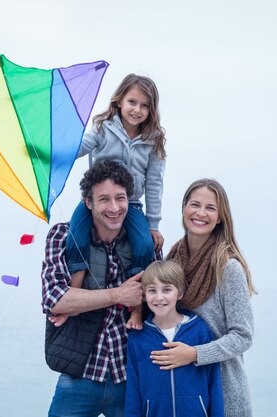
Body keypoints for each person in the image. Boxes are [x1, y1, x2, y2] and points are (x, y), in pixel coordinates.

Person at [41, 160, 148, 417]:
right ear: (88, 203)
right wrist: (118, 295)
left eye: (120, 199)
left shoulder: (144, 244)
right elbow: (55, 299)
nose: (114, 208)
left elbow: (160, 299)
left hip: (130, 377)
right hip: (79, 374)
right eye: (104, 199)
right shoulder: (62, 237)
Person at [64, 73, 167, 330]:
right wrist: (51, 153)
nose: (137, 110)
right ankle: (72, 299)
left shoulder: (153, 140)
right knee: (75, 236)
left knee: (144, 245)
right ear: (119, 101)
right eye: (132, 102)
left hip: (130, 204)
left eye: (145, 105)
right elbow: (80, 147)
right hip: (95, 201)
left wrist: (153, 224)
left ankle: (136, 311)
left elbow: (154, 183)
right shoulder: (104, 128)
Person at [150, 179, 256, 417]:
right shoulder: (172, 261)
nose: (200, 213)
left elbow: (243, 336)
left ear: (220, 217)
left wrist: (194, 354)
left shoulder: (228, 268)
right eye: (195, 204)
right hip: (182, 392)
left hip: (224, 392)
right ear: (184, 208)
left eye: (210, 208)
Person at [125, 260, 224, 417]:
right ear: (144, 295)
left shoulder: (199, 330)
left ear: (180, 293)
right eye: (152, 291)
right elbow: (133, 390)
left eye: (166, 290)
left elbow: (214, 383)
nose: (159, 297)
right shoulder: (138, 338)